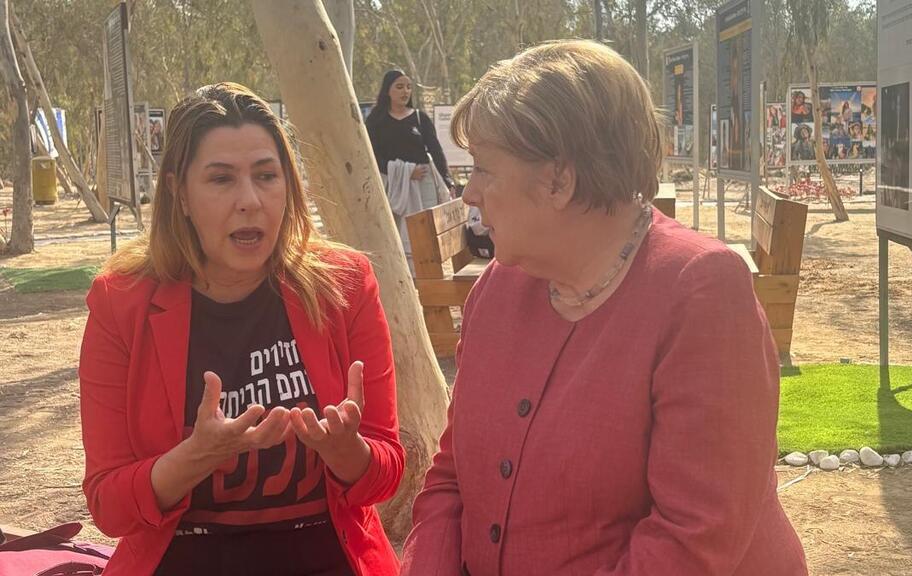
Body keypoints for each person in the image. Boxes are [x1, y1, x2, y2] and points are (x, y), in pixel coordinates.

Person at [400, 40, 806, 575]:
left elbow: (692, 538)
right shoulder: (498, 288)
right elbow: (452, 475)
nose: (469, 193)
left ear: (559, 180)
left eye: (483, 169)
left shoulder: (700, 291)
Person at [79, 82, 405, 576]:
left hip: (325, 555)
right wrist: (196, 456)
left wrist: (349, 453)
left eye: (266, 176)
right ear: (179, 194)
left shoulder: (345, 285)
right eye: (221, 179)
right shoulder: (121, 302)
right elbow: (109, 505)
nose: (250, 200)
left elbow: (386, 472)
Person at [366, 70, 454, 271]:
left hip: (424, 185)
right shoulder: (376, 121)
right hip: (393, 187)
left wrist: (447, 180)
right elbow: (372, 155)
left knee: (426, 231)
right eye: (399, 87)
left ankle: (428, 274)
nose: (405, 91)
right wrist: (405, 173)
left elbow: (435, 150)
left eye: (408, 87)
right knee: (397, 232)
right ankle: (403, 274)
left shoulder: (420, 118)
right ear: (387, 90)